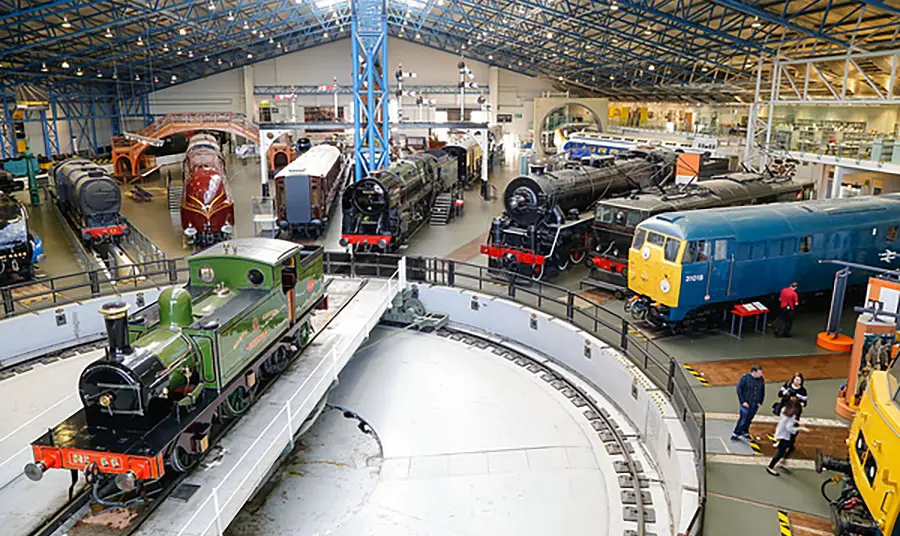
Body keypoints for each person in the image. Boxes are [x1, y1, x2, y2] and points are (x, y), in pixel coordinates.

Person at [767, 398, 804, 476]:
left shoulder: (785, 410)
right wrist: (800, 428)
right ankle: (770, 466)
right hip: (786, 436)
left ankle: (782, 461)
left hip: (781, 432)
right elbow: (789, 428)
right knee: (781, 452)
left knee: (791, 448)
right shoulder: (792, 415)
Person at [731, 364, 765, 441]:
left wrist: (760, 401)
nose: (761, 375)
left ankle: (745, 431)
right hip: (746, 403)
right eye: (759, 373)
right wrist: (743, 401)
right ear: (754, 372)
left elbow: (762, 390)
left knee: (749, 418)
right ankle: (736, 433)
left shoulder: (761, 379)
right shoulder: (744, 378)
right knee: (743, 418)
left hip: (755, 404)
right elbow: (739, 390)